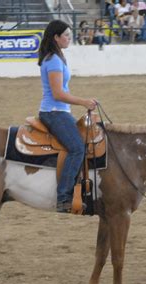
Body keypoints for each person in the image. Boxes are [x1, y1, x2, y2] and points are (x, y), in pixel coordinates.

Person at [37, 20, 98, 213]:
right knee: (77, 148)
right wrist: (84, 102)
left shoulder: (57, 57)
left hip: (60, 111)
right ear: (56, 37)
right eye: (66, 36)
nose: (69, 39)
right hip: (53, 112)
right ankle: (63, 197)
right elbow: (58, 94)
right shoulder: (54, 60)